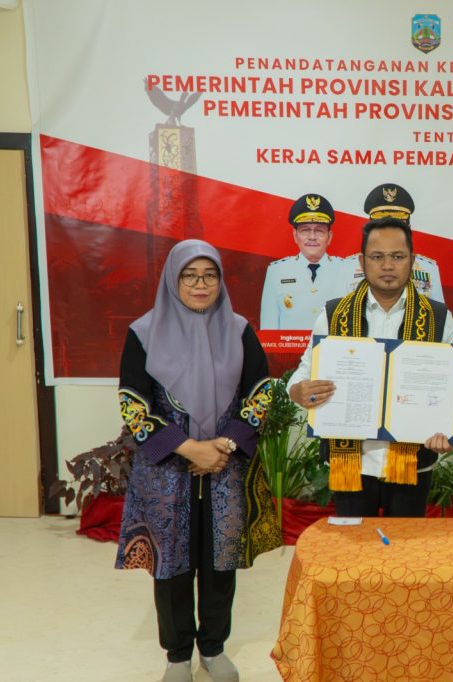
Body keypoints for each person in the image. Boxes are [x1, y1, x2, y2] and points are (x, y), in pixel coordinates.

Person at [116, 240, 280, 682]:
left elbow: (260, 394)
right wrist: (191, 448)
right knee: (171, 564)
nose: (201, 284)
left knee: (218, 562)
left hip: (225, 471)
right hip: (168, 472)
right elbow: (133, 404)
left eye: (210, 275)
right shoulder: (144, 332)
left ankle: (213, 647)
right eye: (190, 275)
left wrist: (223, 447)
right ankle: (176, 656)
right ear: (174, 279)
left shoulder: (239, 329)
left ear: (220, 280)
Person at [287, 217, 453, 516]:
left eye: (397, 256)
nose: (388, 266)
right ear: (362, 261)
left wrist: (446, 426)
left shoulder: (438, 317)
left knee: (404, 553)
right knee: (353, 554)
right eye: (377, 257)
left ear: (412, 260)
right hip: (350, 462)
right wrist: (299, 391)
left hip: (413, 461)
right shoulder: (333, 314)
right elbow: (304, 372)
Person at [340, 182, 445, 302]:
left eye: (397, 226)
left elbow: (437, 317)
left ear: (409, 229)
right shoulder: (347, 267)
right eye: (382, 226)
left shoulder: (428, 269)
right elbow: (339, 313)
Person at [260, 193, 345, 329]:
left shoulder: (345, 269)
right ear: (295, 235)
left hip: (332, 350)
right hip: (290, 350)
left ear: (329, 237)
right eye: (305, 230)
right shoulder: (276, 272)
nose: (312, 237)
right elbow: (268, 329)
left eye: (319, 231)